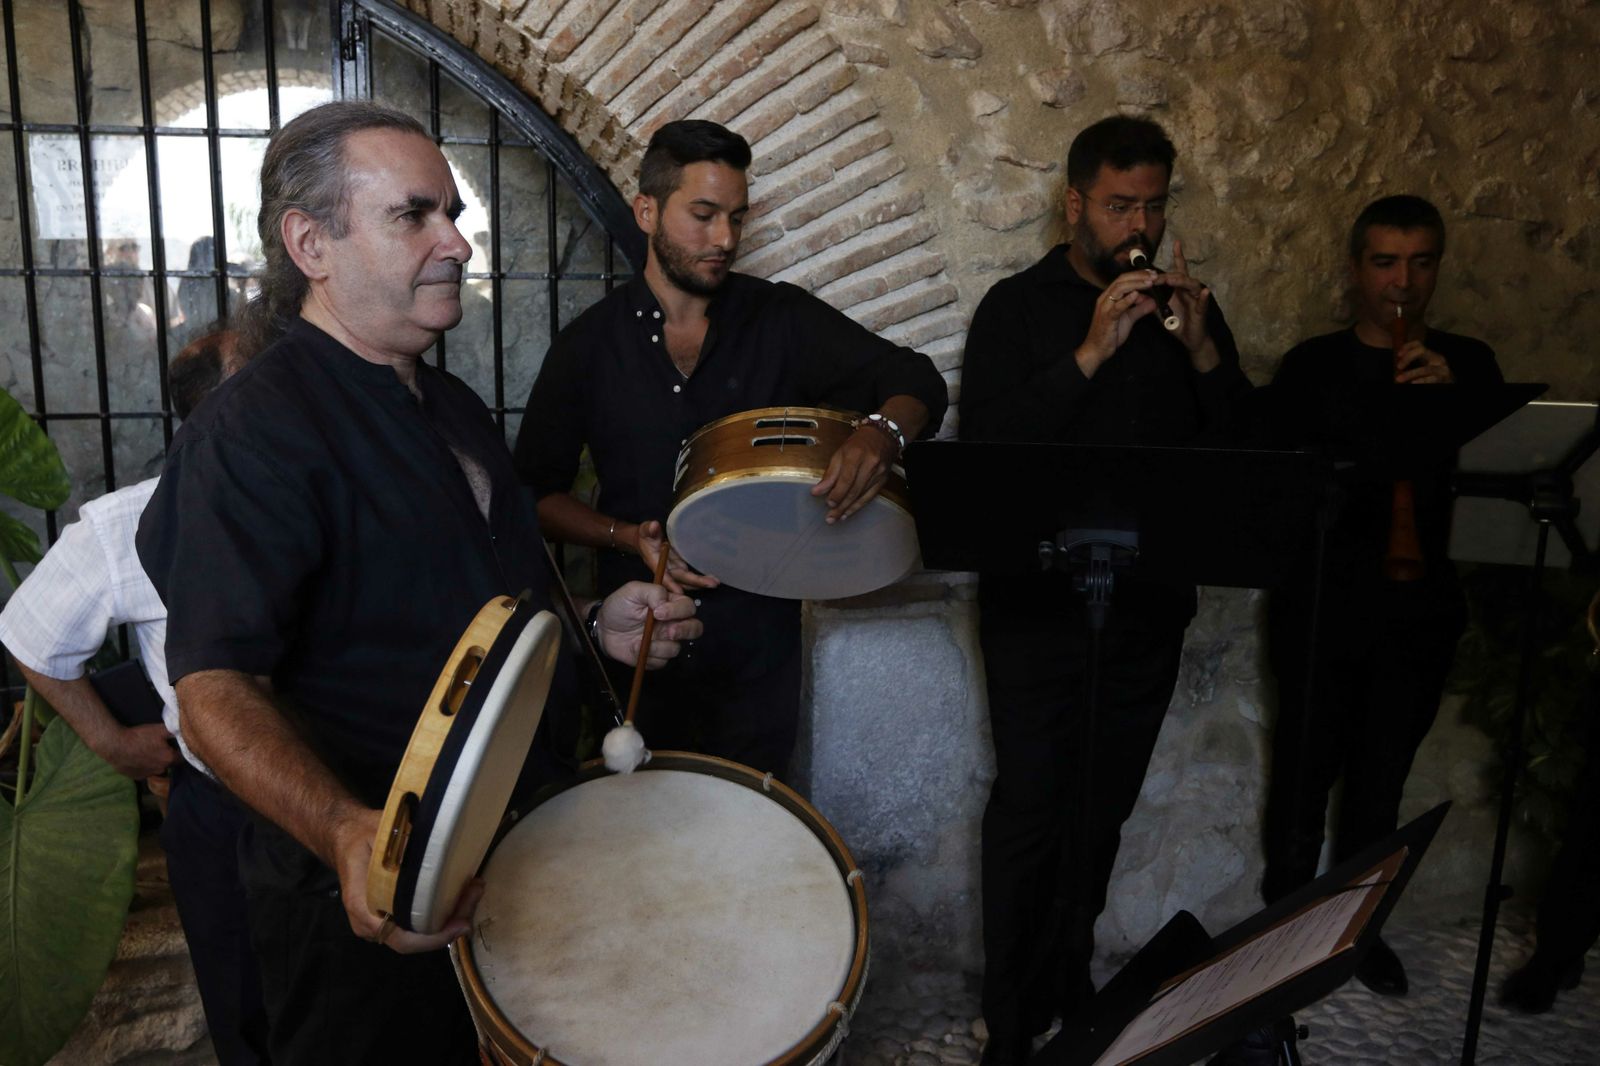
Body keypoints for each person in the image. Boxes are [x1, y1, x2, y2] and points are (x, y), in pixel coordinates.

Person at [134, 102, 701, 1066]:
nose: (457, 241)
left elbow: (466, 598)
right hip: (360, 903)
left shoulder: (447, 401)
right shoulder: (258, 432)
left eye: (453, 211)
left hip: (508, 859)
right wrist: (351, 833)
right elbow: (214, 689)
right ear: (310, 242)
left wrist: (598, 622)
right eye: (415, 216)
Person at [513, 119, 947, 776]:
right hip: (638, 650)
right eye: (704, 215)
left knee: (752, 853)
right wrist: (631, 537)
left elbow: (917, 380)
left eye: (737, 218)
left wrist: (880, 435)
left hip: (758, 665)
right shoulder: (590, 346)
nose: (725, 239)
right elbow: (532, 495)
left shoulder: (780, 318)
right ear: (646, 211)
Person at [958, 115, 1251, 1064]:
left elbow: (1244, 457)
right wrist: (1090, 350)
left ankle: (1067, 976)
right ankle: (1008, 1011)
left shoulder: (1189, 318)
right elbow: (989, 456)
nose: (1141, 225)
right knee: (1031, 804)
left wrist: (1205, 353)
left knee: (1103, 806)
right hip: (1035, 609)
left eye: (1154, 205)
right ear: (1075, 203)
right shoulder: (1016, 309)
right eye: (1121, 204)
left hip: (1147, 607)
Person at [0, 330, 270, 1065]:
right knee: (247, 1015)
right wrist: (111, 741)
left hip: (356, 786)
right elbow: (31, 631)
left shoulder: (349, 496)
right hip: (225, 815)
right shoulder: (135, 522)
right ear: (217, 417)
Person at [1260, 195, 1504, 997]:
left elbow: (1489, 496)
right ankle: (1280, 941)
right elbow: (1281, 492)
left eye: (1422, 262)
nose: (1405, 281)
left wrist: (1452, 408)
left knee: (1378, 788)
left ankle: (1356, 936)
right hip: (1322, 608)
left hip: (1420, 614)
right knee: (1300, 782)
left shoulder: (1470, 366)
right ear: (1356, 268)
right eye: (1386, 262)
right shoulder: (1311, 367)